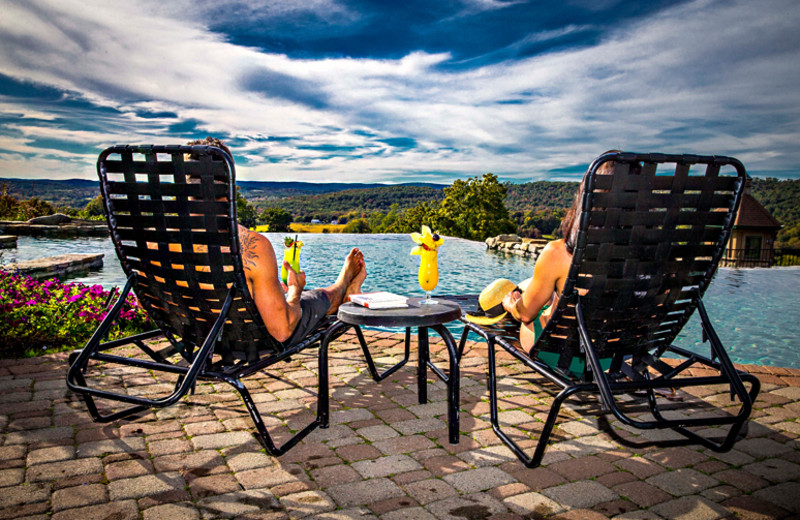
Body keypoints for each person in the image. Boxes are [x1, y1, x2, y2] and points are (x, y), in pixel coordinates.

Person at [185, 137, 367, 347]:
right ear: (231, 185)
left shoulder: (154, 243)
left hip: (194, 335)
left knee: (282, 293)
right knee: (316, 298)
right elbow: (282, 330)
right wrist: (296, 291)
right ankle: (344, 287)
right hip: (247, 340)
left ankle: (340, 287)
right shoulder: (252, 245)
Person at [501, 152, 619, 350]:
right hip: (619, 355)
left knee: (527, 318)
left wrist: (511, 305)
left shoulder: (559, 252)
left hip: (566, 356)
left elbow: (525, 314)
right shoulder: (658, 256)